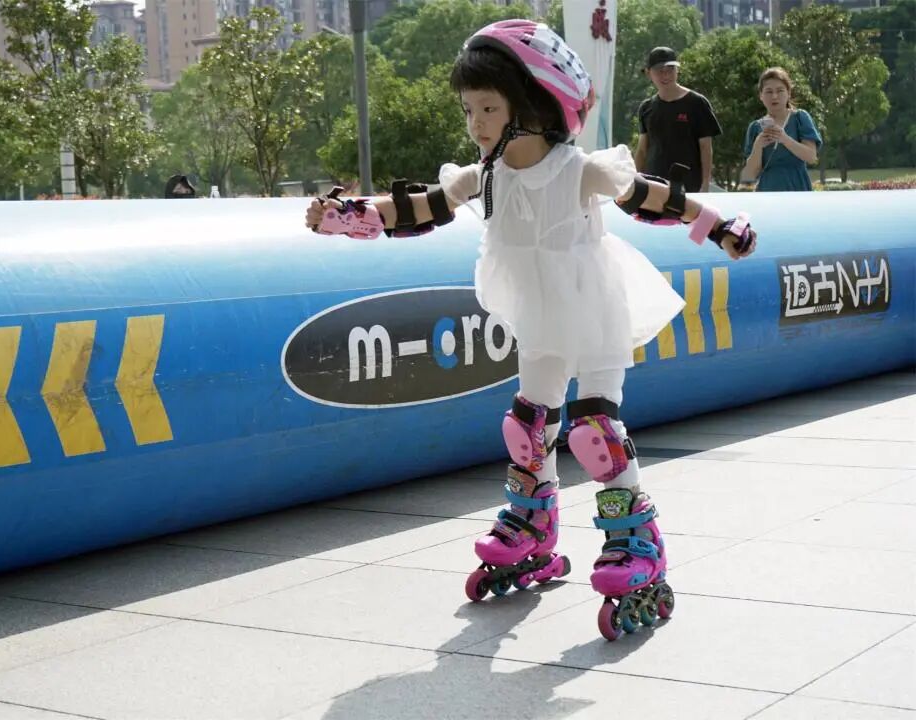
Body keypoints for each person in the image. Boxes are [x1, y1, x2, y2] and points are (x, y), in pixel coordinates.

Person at [304, 20, 756, 640]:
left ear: (538, 104)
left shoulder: (578, 170)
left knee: (595, 431)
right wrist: (346, 215)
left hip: (593, 306)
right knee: (526, 427)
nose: (476, 123)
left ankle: (637, 541)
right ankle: (533, 523)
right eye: (469, 109)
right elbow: (418, 207)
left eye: (489, 108)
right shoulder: (485, 175)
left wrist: (720, 224)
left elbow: (655, 198)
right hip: (539, 315)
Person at [636, 47, 722, 192]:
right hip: (654, 186)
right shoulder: (646, 107)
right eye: (659, 71)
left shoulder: (697, 103)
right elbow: (642, 150)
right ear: (648, 73)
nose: (665, 75)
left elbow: (706, 148)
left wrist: (705, 184)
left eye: (670, 69)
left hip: (689, 185)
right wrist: (636, 181)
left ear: (677, 71)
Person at [741, 67, 821, 191]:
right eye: (769, 91)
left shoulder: (800, 118)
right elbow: (750, 175)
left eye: (780, 91)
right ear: (761, 95)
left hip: (798, 189)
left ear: (788, 93)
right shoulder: (755, 127)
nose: (774, 96)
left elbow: (811, 157)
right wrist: (758, 145)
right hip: (767, 192)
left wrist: (785, 139)